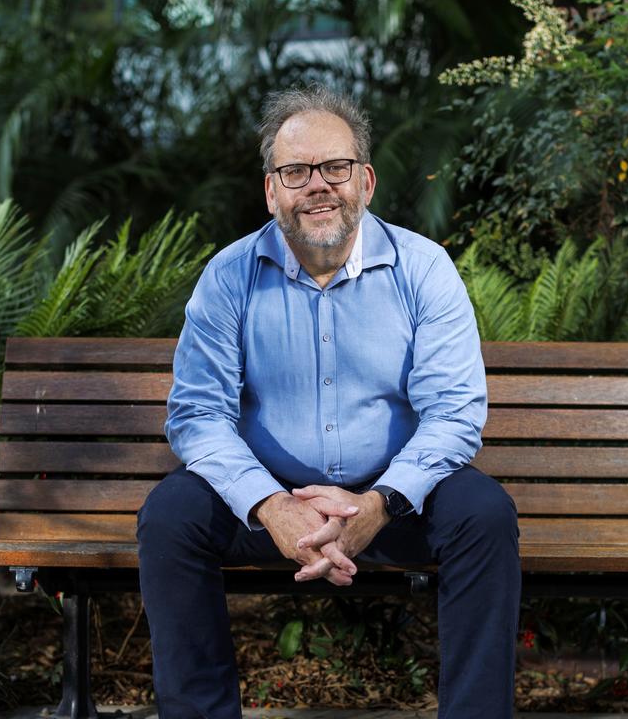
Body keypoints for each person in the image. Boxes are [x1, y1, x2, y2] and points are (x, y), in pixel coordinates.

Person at [137, 84, 521, 719]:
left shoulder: (423, 270)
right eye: (295, 171)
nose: (317, 185)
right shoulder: (228, 277)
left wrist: (379, 503)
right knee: (171, 517)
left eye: (335, 167)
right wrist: (271, 506)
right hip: (267, 505)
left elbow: (454, 414)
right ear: (271, 190)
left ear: (364, 180)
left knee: (482, 512)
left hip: (397, 501)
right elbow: (198, 414)